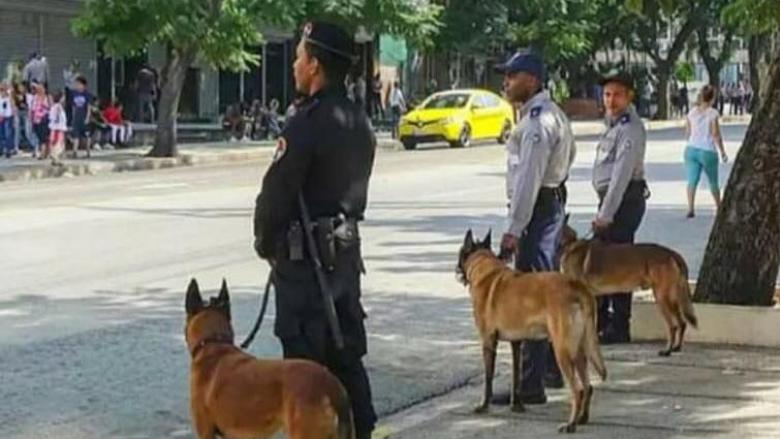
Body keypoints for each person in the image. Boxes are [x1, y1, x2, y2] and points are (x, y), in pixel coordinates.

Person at [253, 21, 377, 439]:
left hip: (306, 271)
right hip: (343, 261)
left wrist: (265, 244)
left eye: (300, 56)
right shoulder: (360, 121)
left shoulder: (305, 123)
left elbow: (275, 195)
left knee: (305, 377)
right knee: (346, 359)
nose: (294, 64)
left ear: (316, 66)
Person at [496, 50, 576, 404]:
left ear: (531, 79)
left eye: (513, 76)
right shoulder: (550, 115)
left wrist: (514, 229)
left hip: (537, 213)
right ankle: (550, 370)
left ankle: (530, 384)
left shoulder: (536, 125)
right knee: (547, 291)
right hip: (550, 206)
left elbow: (528, 181)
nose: (507, 82)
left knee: (532, 300)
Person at [592, 72, 648, 344]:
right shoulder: (613, 124)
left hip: (623, 202)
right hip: (613, 201)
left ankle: (618, 325)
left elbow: (621, 176)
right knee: (603, 264)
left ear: (629, 97)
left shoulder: (629, 128)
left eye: (617, 95)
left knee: (617, 267)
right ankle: (603, 321)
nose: (611, 100)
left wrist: (605, 215)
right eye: (607, 95)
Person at [684, 85, 729, 218]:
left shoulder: (691, 112)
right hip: (707, 150)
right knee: (713, 181)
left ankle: (691, 208)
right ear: (712, 98)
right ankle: (719, 207)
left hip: (691, 148)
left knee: (692, 180)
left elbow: (687, 132)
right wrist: (722, 151)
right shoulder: (713, 113)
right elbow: (715, 134)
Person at [70, 75, 93, 158]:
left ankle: (88, 152)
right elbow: (73, 107)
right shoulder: (74, 94)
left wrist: (87, 117)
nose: (77, 86)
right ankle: (74, 152)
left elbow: (89, 107)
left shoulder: (87, 95)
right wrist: (73, 117)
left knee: (87, 135)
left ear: (83, 85)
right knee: (75, 135)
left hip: (84, 117)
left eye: (79, 84)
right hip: (77, 117)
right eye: (76, 84)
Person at [29, 82, 51, 160]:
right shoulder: (34, 98)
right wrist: (31, 118)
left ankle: (43, 153)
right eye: (38, 88)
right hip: (36, 119)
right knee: (39, 136)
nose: (39, 89)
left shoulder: (47, 97)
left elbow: (51, 107)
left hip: (44, 118)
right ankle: (45, 152)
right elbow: (32, 109)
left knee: (43, 137)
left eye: (41, 88)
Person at [48, 91, 67, 166]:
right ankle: (56, 158)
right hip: (58, 128)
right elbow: (57, 117)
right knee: (58, 143)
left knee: (57, 143)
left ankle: (56, 159)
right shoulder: (58, 107)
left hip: (57, 128)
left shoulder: (55, 106)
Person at [0, 83, 14, 158]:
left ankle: (8, 150)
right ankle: (1, 149)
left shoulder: (9, 97)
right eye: (1, 90)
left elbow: (12, 105)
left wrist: (10, 94)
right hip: (0, 117)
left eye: (3, 90)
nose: (2, 91)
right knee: (1, 134)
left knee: (8, 133)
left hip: (8, 117)